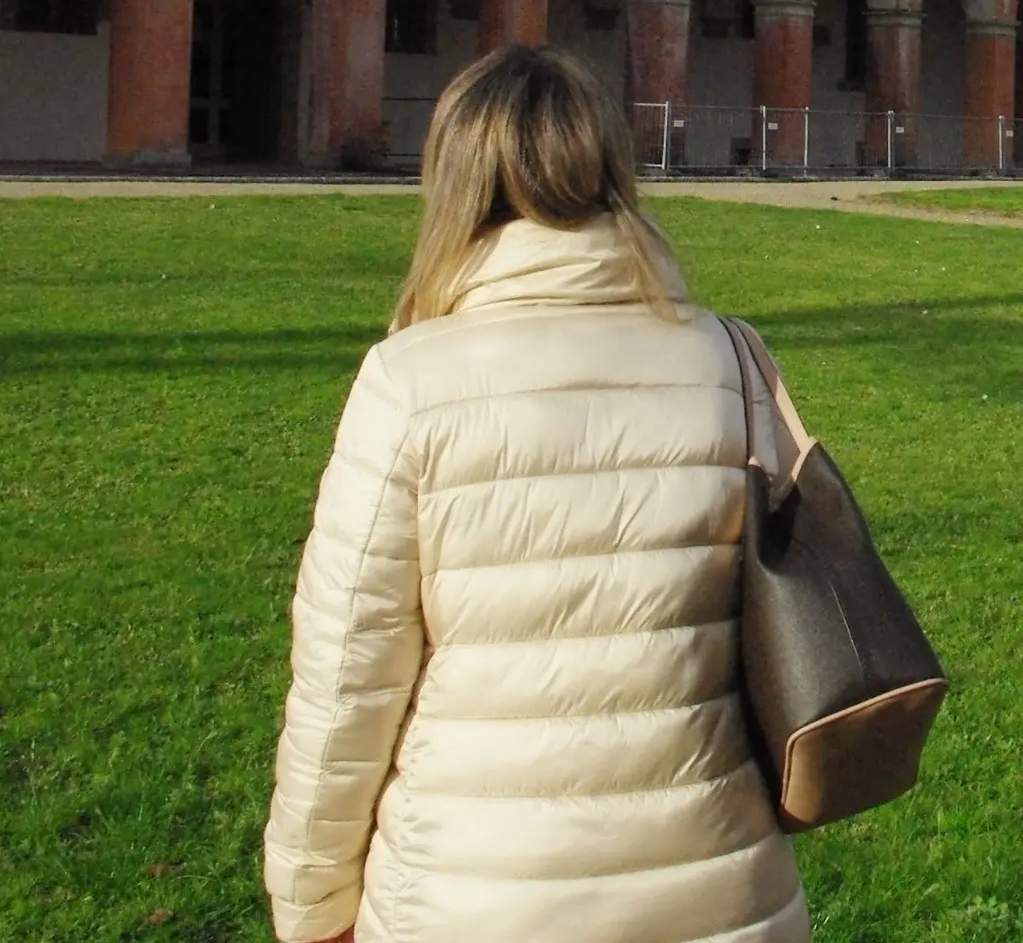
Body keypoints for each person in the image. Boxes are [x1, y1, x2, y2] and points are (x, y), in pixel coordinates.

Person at [262, 46, 809, 943]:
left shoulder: (410, 381)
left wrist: (311, 905)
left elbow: (346, 682)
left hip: (474, 893)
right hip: (719, 883)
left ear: (454, 180)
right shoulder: (728, 357)